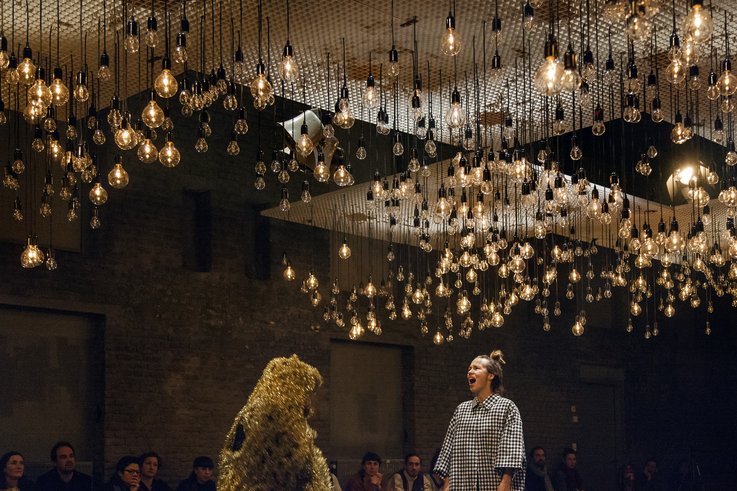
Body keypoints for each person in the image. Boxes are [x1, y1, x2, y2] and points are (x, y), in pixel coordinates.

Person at [433, 350, 526, 491]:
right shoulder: (461, 410)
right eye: (469, 369)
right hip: (462, 484)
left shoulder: (507, 407)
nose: (470, 372)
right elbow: (448, 449)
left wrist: (505, 482)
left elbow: (512, 448)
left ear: (491, 375)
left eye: (476, 368)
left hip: (493, 483)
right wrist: (447, 484)